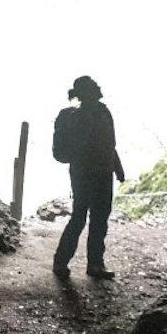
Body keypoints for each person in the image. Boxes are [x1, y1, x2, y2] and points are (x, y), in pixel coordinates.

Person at [51, 74, 125, 280]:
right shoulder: (78, 117)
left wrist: (117, 169)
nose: (98, 89)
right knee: (80, 217)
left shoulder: (103, 112)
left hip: (101, 172)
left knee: (99, 219)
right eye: (94, 87)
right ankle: (61, 261)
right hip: (85, 174)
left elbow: (110, 144)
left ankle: (95, 264)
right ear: (87, 93)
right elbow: (80, 145)